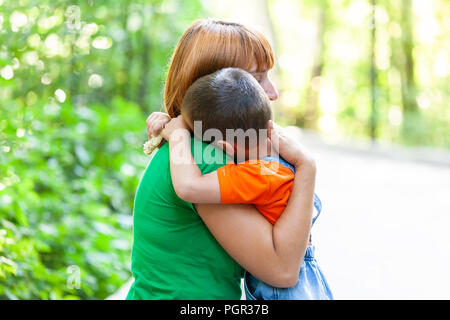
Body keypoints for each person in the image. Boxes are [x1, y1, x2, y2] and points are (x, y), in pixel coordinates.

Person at [127, 19, 318, 300]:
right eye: (256, 79)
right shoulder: (205, 160)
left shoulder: (196, 147)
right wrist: (307, 167)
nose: (273, 93)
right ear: (215, 88)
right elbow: (282, 270)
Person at [159, 67, 333, 300]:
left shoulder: (252, 176)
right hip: (311, 277)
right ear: (270, 127)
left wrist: (179, 136)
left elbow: (189, 187)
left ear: (226, 148)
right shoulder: (280, 164)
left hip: (282, 292)